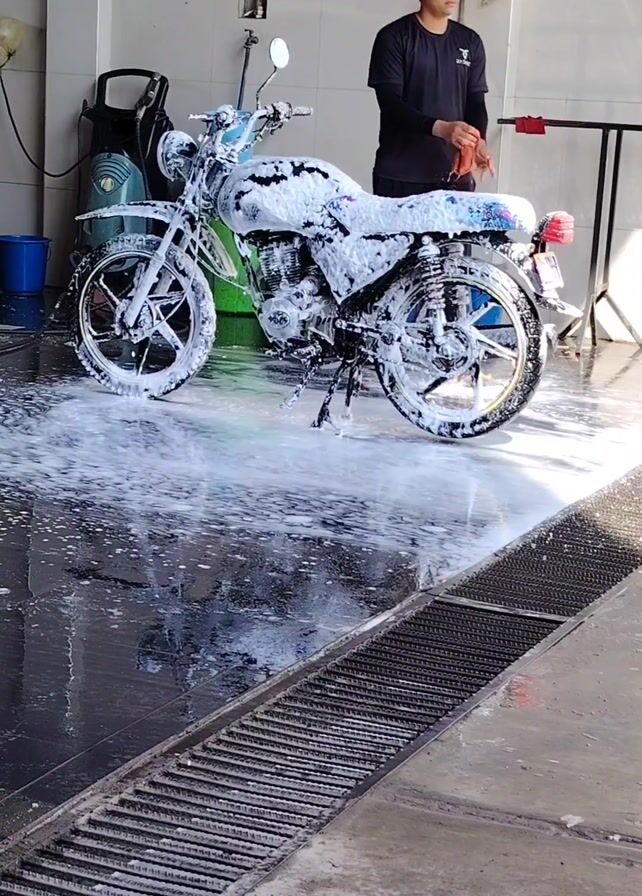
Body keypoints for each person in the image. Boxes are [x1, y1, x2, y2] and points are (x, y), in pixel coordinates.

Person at [368, 0, 494, 198]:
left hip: (455, 178)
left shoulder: (470, 41)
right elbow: (391, 104)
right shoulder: (394, 36)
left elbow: (476, 102)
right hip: (401, 176)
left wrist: (479, 141)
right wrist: (442, 129)